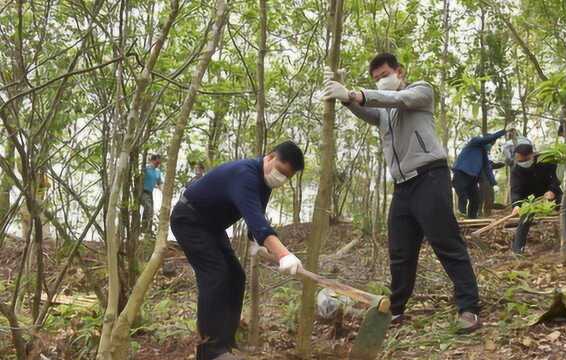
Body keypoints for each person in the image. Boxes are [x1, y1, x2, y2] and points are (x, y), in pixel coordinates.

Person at [321, 53, 481, 333]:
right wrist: (345, 98)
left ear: (399, 71)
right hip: (402, 185)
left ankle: (469, 308)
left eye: (384, 75)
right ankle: (395, 311)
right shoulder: (383, 111)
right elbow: (370, 110)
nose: (381, 82)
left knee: (446, 243)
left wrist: (355, 93)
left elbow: (397, 100)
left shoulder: (421, 91)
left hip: (430, 176)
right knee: (400, 251)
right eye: (376, 79)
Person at [170, 141, 305, 360]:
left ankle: (225, 342)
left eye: (286, 177)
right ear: (270, 158)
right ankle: (210, 350)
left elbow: (256, 218)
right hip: (189, 220)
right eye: (280, 171)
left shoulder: (264, 184)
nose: (280, 178)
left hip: (211, 226)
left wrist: (258, 244)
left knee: (235, 276)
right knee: (216, 274)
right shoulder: (245, 175)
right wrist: (284, 254)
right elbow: (258, 223)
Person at [509, 138, 566, 255]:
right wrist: (516, 205)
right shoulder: (516, 170)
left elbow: (556, 177)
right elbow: (515, 190)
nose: (523, 163)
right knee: (525, 216)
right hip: (532, 199)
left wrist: (552, 190)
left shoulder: (545, 160)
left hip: (552, 195)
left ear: (532, 155)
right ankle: (518, 250)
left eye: (525, 159)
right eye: (520, 160)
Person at [452, 129, 507, 218]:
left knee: (475, 200)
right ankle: (460, 216)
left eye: (492, 144)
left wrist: (493, 184)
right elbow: (487, 139)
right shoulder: (474, 142)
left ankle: (472, 219)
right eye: (490, 143)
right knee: (463, 197)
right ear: (486, 140)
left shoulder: (484, 155)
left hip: (472, 179)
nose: (490, 145)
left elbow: (487, 169)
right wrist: (503, 132)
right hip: (461, 174)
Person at [142, 154, 163, 233]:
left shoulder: (158, 172)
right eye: (156, 163)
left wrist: (163, 193)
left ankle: (145, 230)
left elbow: (159, 183)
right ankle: (146, 230)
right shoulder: (146, 169)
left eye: (159, 163)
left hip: (150, 193)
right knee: (149, 208)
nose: (158, 164)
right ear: (152, 161)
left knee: (149, 210)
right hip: (142, 192)